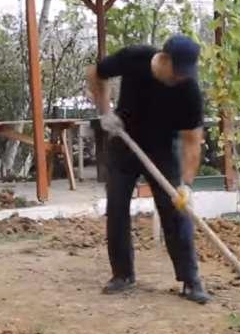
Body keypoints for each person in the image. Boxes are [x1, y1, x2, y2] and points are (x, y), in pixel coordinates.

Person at [85, 34, 211, 304]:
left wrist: (186, 185)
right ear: (163, 59)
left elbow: (192, 143)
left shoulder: (189, 90)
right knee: (117, 208)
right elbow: (95, 73)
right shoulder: (135, 57)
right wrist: (105, 112)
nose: (181, 78)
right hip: (124, 140)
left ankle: (191, 280)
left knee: (176, 210)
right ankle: (122, 275)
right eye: (177, 72)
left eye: (185, 73)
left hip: (163, 149)